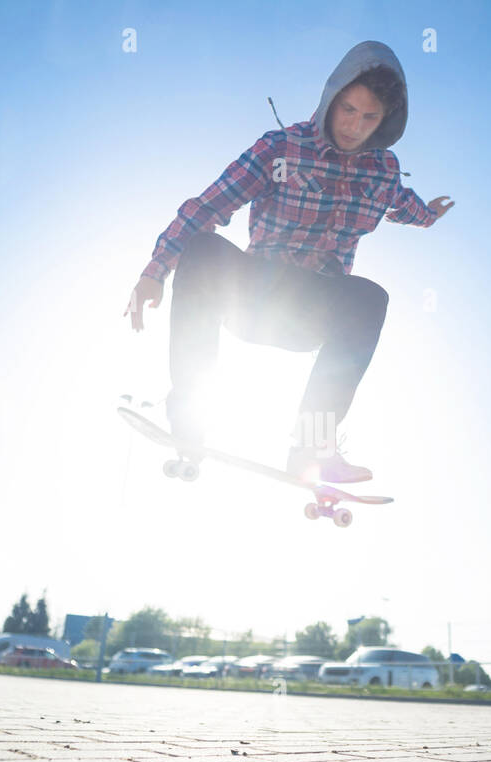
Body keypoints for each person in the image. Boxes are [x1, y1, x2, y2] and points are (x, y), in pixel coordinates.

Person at [125, 40, 453, 483]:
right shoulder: (282, 148)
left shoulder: (383, 171)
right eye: (348, 110)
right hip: (254, 295)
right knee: (203, 248)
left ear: (385, 121)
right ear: (331, 100)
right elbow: (208, 205)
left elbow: (404, 206)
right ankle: (189, 418)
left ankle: (311, 448)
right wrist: (155, 271)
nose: (355, 126)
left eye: (369, 117)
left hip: (312, 309)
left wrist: (429, 215)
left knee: (370, 298)